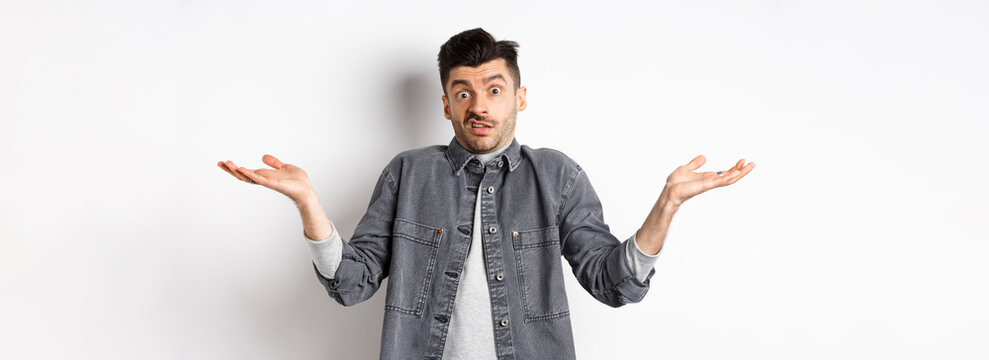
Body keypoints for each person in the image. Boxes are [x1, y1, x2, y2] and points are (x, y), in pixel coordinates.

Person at [217, 27, 754, 359]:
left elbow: (614, 285)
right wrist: (309, 205)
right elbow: (351, 286)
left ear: (520, 97)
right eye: (463, 92)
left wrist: (667, 205)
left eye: (494, 90)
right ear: (446, 104)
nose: (480, 105)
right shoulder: (408, 173)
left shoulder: (557, 175)